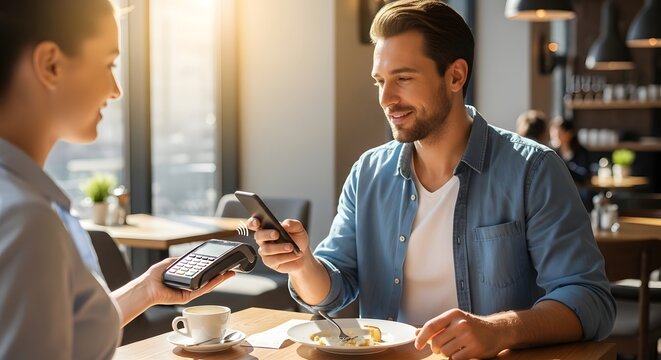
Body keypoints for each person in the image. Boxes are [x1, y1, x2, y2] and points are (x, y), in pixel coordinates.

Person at [249, 1, 615, 359]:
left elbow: (589, 299)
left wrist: (498, 330)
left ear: (455, 75)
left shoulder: (533, 170)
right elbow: (334, 289)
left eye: (403, 78)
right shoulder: (368, 173)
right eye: (380, 81)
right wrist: (301, 264)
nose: (386, 99)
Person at [0, 1, 233, 358]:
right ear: (50, 65)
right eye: (109, 64)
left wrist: (146, 290)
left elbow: (65, 329)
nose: (116, 90)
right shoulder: (26, 220)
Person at [550, 116, 591, 184]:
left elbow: (585, 176)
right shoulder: (551, 153)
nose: (555, 137)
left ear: (569, 134)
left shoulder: (581, 152)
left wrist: (564, 168)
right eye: (553, 135)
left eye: (559, 134)